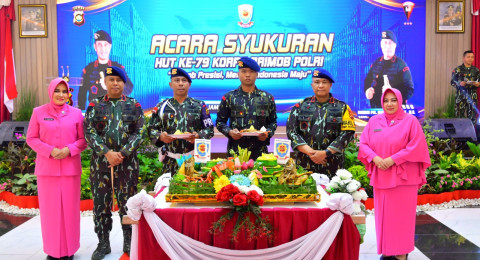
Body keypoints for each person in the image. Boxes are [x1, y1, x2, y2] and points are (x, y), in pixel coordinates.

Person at [358, 88, 431, 260]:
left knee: (402, 218)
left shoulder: (410, 121)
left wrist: (393, 160)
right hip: (382, 176)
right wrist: (375, 158)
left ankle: (401, 254)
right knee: (384, 217)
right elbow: (363, 144)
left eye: (393, 100)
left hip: (405, 178)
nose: (389, 104)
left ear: (400, 101)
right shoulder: (374, 121)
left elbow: (416, 147)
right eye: (386, 100)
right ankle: (387, 250)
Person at [83, 66, 145, 259]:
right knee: (101, 205)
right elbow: (89, 132)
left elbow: (140, 132)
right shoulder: (94, 106)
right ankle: (103, 243)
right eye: (111, 80)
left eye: (119, 80)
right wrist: (107, 153)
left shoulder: (134, 105)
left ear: (124, 83)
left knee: (128, 205)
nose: (115, 83)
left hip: (127, 165)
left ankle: (129, 242)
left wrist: (123, 153)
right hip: (101, 165)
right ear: (105, 82)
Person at [26, 78, 87, 260]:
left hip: (70, 170)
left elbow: (83, 140)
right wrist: (50, 151)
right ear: (51, 92)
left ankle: (69, 250)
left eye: (64, 91)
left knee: (69, 211)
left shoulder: (76, 114)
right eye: (57, 91)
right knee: (50, 212)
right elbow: (31, 138)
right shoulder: (38, 113)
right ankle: (53, 251)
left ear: (69, 93)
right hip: (47, 171)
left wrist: (70, 149)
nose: (61, 95)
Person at [287, 68, 355, 177]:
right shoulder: (300, 107)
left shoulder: (343, 108)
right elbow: (292, 132)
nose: (321, 86)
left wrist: (325, 153)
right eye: (317, 82)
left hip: (333, 166)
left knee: (334, 194)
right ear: (312, 85)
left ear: (330, 85)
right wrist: (311, 153)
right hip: (305, 166)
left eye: (324, 82)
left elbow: (347, 134)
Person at [148, 68, 214, 174]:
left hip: (193, 159)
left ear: (189, 84)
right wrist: (161, 137)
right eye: (177, 80)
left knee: (192, 187)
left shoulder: (199, 105)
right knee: (170, 188)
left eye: (184, 80)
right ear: (171, 84)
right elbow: (151, 130)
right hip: (170, 159)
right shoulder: (162, 106)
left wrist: (198, 136)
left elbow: (209, 129)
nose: (180, 84)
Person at [216, 57, 277, 160]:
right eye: (244, 71)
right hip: (235, 152)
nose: (248, 75)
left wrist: (267, 133)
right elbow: (219, 122)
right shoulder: (229, 97)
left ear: (257, 74)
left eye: (252, 71)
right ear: (238, 74)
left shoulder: (267, 98)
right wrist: (230, 132)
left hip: (260, 154)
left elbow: (273, 122)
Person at [78, 30, 133, 110]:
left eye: (105, 45)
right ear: (95, 47)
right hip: (95, 115)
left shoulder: (118, 68)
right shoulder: (88, 70)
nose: (103, 48)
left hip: (115, 113)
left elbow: (129, 87)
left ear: (110, 47)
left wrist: (110, 87)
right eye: (99, 45)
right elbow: (81, 96)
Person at [364, 30, 414, 108]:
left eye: (390, 43)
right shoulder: (376, 64)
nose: (387, 46)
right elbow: (367, 81)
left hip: (395, 112)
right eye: (385, 43)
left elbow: (409, 90)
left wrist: (392, 92)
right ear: (381, 45)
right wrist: (367, 91)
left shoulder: (401, 65)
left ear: (395, 45)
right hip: (377, 112)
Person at [451, 50, 480, 123]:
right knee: (458, 117)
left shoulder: (476, 70)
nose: (470, 59)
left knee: (472, 118)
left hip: (472, 97)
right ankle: (460, 134)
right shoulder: (457, 70)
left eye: (472, 57)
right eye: (468, 57)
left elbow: (479, 82)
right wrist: (459, 83)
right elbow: (452, 82)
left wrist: (477, 84)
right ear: (463, 58)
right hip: (461, 96)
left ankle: (471, 134)